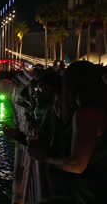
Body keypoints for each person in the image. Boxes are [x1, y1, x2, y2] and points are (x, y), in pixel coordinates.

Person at [29, 61, 107, 202]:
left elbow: (77, 165)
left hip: (90, 193)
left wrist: (44, 158)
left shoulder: (87, 114)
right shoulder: (96, 108)